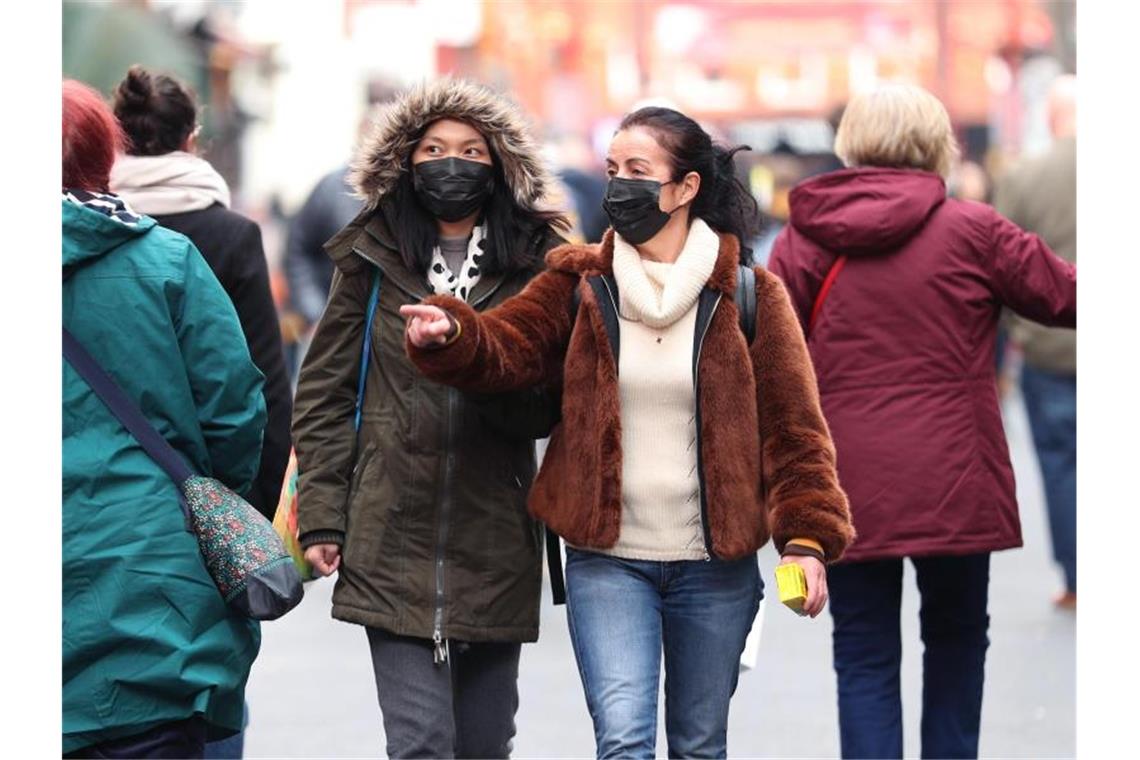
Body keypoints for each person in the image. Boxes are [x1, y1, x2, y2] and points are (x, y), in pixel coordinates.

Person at [402, 106, 854, 759]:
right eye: (612, 169)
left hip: (716, 568)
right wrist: (453, 331)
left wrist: (806, 540)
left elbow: (795, 430)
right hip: (606, 562)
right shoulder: (579, 283)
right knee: (623, 741)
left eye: (637, 171)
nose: (618, 185)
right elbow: (508, 345)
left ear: (686, 187)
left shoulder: (751, 296)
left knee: (699, 745)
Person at [767, 83, 1076, 760]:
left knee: (863, 650)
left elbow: (773, 363)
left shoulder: (802, 240)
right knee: (958, 639)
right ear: (938, 144)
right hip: (956, 479)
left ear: (850, 142)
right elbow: (1068, 297)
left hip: (845, 484)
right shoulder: (975, 231)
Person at [291, 78, 567, 759]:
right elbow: (324, 393)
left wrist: (469, 357)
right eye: (434, 149)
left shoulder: (535, 264)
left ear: (499, 166)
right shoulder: (372, 258)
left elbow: (546, 403)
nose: (452, 164)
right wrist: (323, 516)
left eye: (472, 151)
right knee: (420, 744)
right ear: (406, 163)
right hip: (388, 532)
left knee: (484, 745)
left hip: (495, 535)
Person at [62, 79, 265, 759]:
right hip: (156, 588)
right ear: (105, 158)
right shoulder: (167, 261)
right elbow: (234, 409)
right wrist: (209, 497)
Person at [109, 64, 291, 524]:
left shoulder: (92, 231)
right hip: (211, 487)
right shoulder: (233, 235)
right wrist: (257, 508)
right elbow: (265, 376)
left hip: (108, 485)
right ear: (192, 138)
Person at [993, 75, 1078, 609]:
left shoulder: (1024, 176)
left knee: (1060, 464)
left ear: (1050, 117)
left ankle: (1077, 577)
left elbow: (999, 266)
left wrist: (1014, 335)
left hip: (1048, 347)